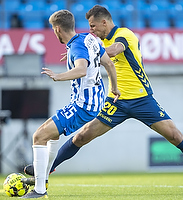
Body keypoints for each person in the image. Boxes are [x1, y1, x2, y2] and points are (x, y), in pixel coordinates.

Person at [23, 5, 183, 195]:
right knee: (82, 136)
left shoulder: (124, 35)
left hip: (142, 99)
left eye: (93, 26)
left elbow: (115, 50)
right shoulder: (96, 43)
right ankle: (47, 171)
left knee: (174, 136)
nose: (91, 30)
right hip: (115, 102)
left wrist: (87, 55)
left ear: (104, 22)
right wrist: (82, 54)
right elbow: (96, 57)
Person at [20, 9, 120, 199]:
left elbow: (81, 70)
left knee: (39, 136)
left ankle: (40, 189)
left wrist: (58, 76)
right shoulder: (88, 40)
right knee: (50, 135)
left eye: (52, 29)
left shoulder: (77, 48)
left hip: (83, 106)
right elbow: (109, 63)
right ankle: (43, 175)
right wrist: (114, 88)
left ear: (58, 29)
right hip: (92, 102)